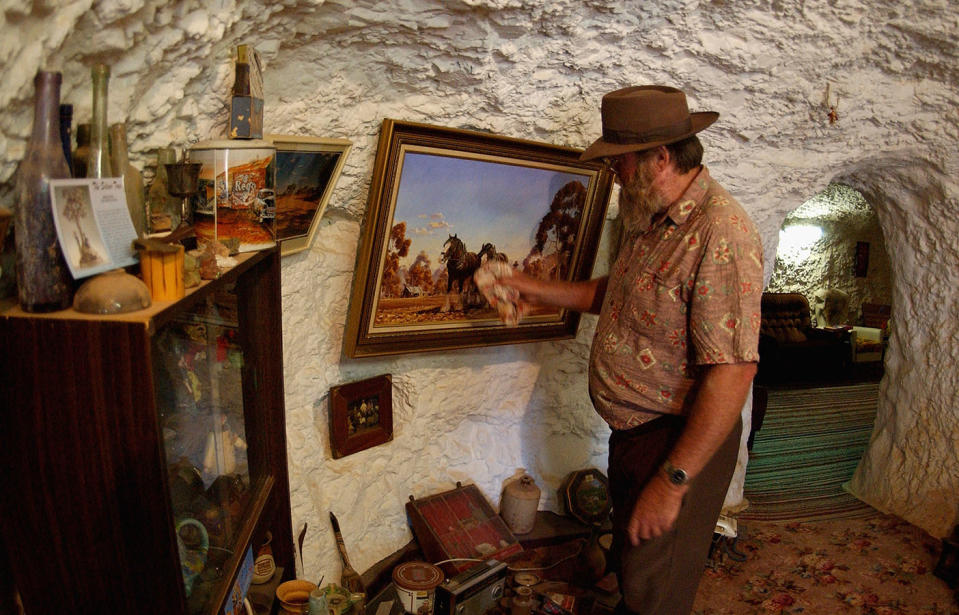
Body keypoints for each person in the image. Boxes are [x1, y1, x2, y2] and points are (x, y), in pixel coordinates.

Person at [495, 86, 764, 614]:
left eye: (619, 162)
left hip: (679, 444)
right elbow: (614, 293)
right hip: (636, 438)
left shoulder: (720, 233)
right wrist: (531, 286)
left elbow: (734, 373)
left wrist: (672, 483)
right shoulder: (649, 215)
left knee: (655, 591)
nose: (615, 174)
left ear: (659, 158)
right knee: (636, 571)